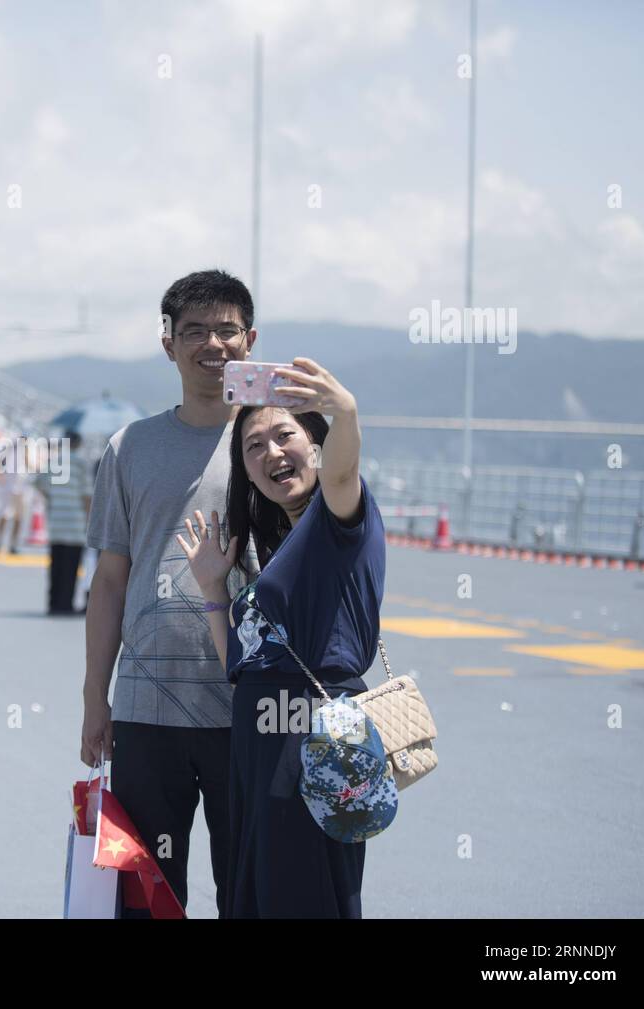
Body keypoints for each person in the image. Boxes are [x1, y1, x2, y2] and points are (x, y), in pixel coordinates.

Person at [176, 358, 384, 918]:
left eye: (285, 434)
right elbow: (240, 667)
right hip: (259, 741)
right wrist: (213, 587)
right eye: (254, 446)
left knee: (306, 893)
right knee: (256, 894)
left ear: (316, 444)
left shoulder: (337, 521)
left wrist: (346, 411)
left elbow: (344, 475)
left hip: (312, 739)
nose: (271, 453)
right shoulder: (276, 551)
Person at [81, 269, 261, 917]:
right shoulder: (131, 446)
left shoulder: (274, 442)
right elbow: (109, 581)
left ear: (251, 338)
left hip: (251, 705)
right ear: (169, 345)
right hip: (146, 705)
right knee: (146, 895)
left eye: (226, 329)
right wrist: (93, 697)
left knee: (253, 886)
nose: (212, 343)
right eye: (194, 331)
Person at [34, 431, 93, 615]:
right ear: (78, 444)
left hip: (57, 521)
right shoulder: (81, 464)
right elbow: (86, 494)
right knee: (71, 567)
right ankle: (65, 604)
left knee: (56, 564)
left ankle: (53, 603)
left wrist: (52, 498)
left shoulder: (54, 462)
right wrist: (89, 519)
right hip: (75, 523)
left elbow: (38, 483)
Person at [0, 437, 32, 555]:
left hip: (22, 487)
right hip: (8, 487)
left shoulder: (30, 447)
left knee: (19, 518)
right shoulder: (9, 444)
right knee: (4, 514)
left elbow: (31, 464)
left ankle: (13, 544)